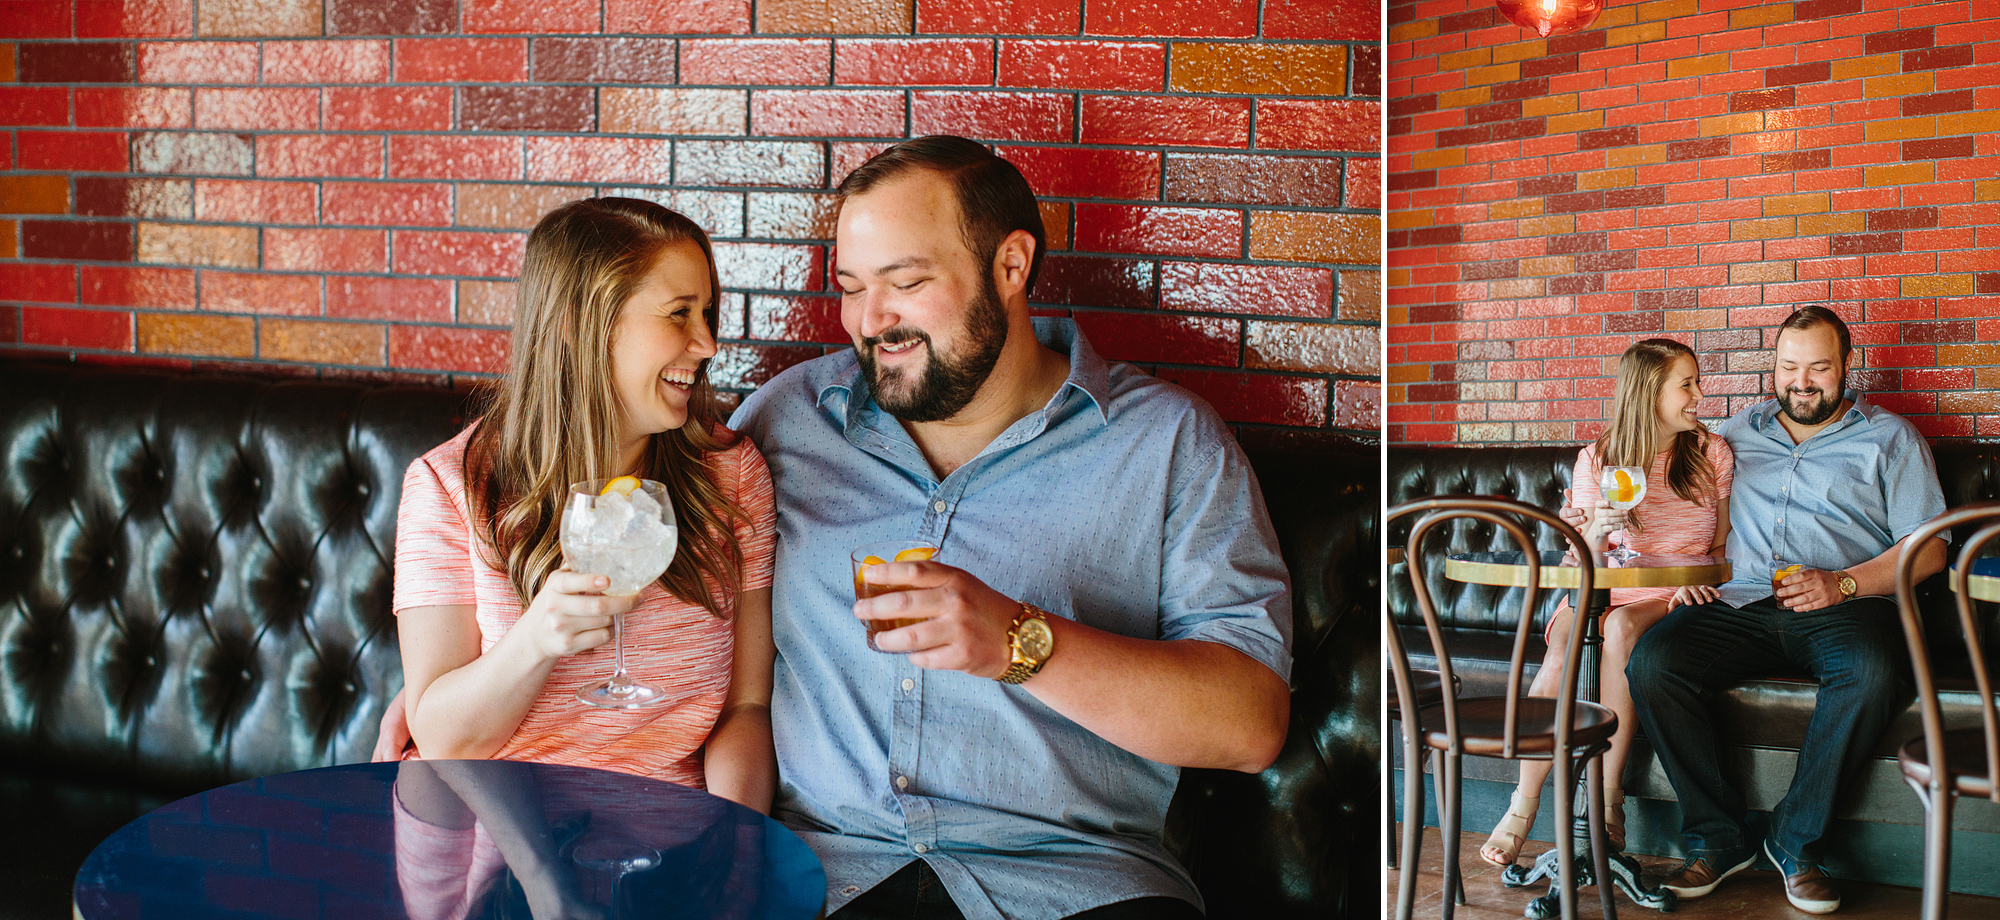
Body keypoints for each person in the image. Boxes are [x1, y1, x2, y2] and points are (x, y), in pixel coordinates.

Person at [727, 135, 1293, 920]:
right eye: (853, 288)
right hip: (819, 874)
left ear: (1012, 265)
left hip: (1074, 886)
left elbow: (1250, 722)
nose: (870, 321)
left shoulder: (1168, 443)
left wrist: (1020, 642)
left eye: (907, 282)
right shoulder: (786, 423)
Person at [388, 197, 778, 811]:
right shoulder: (449, 486)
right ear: (579, 321)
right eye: (679, 314)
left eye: (707, 312)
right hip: (497, 852)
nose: (706, 343)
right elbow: (439, 737)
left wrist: (737, 850)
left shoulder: (729, 475)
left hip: (668, 848)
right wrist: (534, 641)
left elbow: (746, 707)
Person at [1626, 305, 1946, 914]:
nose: (1801, 381)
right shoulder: (1730, 435)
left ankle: (1796, 843)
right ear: (1772, 367)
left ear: (1848, 367)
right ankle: (1720, 838)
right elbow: (1670, 496)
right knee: (1655, 661)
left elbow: (1928, 549)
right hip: (1742, 599)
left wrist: (1844, 585)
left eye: (1819, 368)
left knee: (1875, 671)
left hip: (1847, 605)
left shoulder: (1891, 437)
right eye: (1788, 366)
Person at [1480, 338, 1734, 868]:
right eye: (1685, 384)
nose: (1698, 395)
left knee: (1618, 633)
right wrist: (1594, 530)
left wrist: (1702, 580)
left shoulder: (1712, 454)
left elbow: (1721, 550)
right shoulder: (1598, 458)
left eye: (1695, 382)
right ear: (1648, 393)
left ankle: (1604, 800)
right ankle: (1523, 805)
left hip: (1676, 593)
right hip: (1607, 587)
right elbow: (1588, 561)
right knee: (1565, 644)